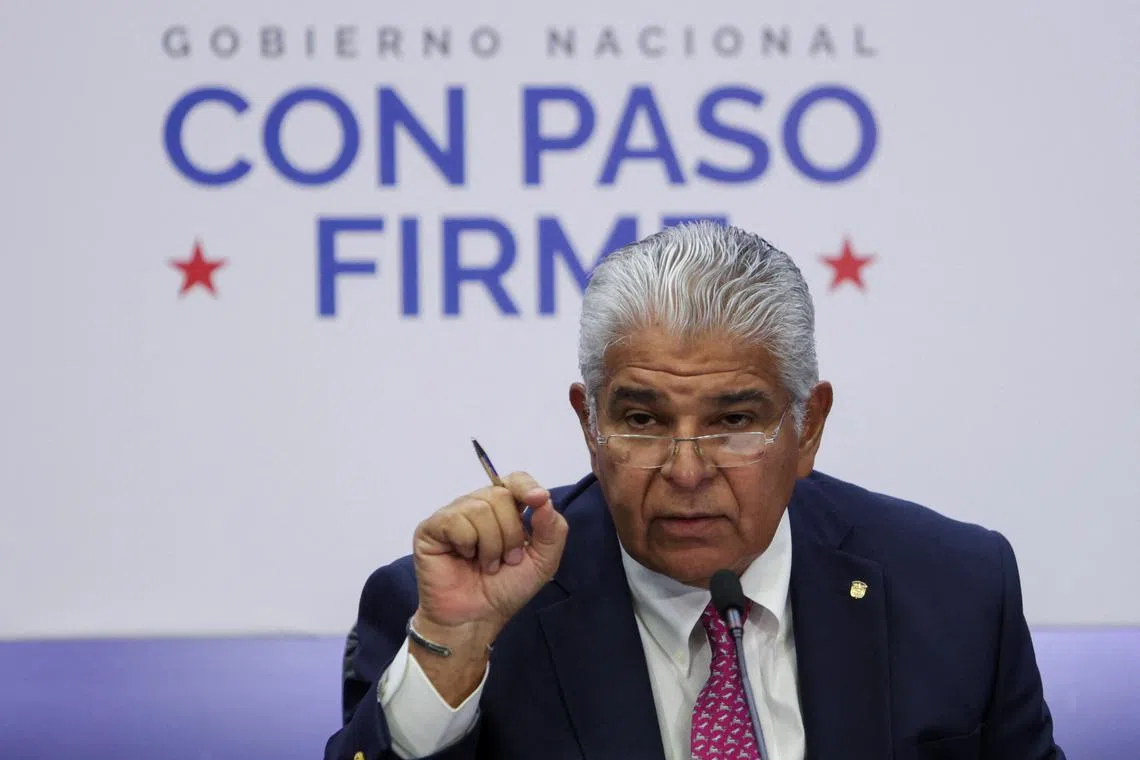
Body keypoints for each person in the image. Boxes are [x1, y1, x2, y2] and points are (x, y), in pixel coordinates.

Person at [325, 222, 1065, 760]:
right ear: (590, 425)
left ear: (807, 428)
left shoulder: (956, 588)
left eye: (734, 422)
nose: (685, 472)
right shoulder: (463, 612)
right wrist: (451, 653)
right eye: (643, 421)